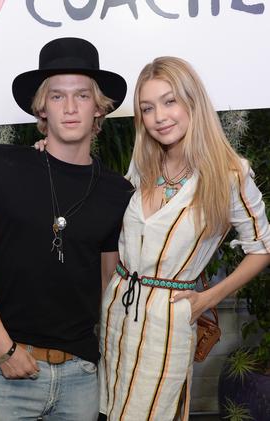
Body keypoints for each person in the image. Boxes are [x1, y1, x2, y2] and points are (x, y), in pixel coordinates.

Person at [0, 37, 132, 421]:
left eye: (82, 96)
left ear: (99, 108)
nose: (70, 108)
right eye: (57, 96)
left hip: (82, 376)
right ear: (42, 107)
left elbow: (108, 280)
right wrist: (2, 348)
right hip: (10, 372)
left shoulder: (117, 191)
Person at [98, 57, 270, 420]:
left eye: (170, 101)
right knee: (106, 409)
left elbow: (262, 247)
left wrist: (208, 298)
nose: (159, 116)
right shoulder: (143, 165)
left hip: (168, 319)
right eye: (148, 107)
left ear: (193, 102)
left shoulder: (229, 174)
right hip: (117, 310)